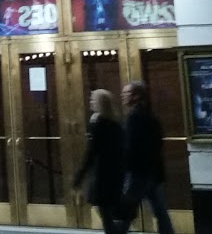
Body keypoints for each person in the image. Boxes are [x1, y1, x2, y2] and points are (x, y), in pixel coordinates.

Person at [121, 81, 176, 234]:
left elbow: (130, 146)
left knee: (126, 211)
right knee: (160, 212)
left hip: (137, 173)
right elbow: (158, 141)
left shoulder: (133, 117)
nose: (123, 96)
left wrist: (124, 168)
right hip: (153, 172)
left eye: (126, 93)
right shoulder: (151, 116)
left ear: (136, 96)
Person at [74, 89, 128, 234]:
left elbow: (91, 153)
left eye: (93, 100)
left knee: (106, 216)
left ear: (100, 104)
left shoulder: (99, 125)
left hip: (103, 176)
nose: (90, 102)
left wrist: (79, 177)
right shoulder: (116, 124)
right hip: (116, 175)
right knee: (109, 214)